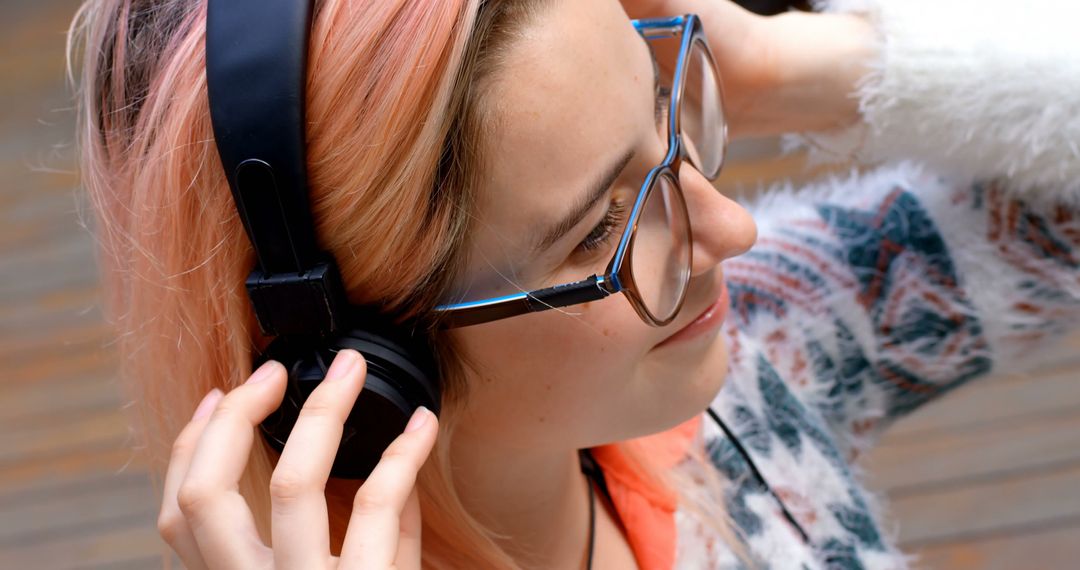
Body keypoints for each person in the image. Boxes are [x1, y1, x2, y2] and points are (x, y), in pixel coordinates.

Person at [67, 0, 1079, 567]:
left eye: (666, 115)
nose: (726, 228)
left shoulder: (746, 367)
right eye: (600, 227)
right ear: (366, 362)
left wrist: (783, 67)